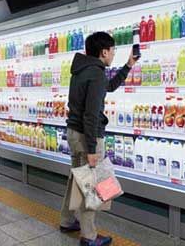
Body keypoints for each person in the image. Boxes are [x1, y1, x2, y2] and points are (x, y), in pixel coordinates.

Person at [60, 32, 138, 246]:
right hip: (87, 136)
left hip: (74, 133)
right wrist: (93, 148)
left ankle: (67, 221)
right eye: (113, 51)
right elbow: (91, 115)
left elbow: (108, 87)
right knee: (90, 186)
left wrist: (128, 65)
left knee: (77, 178)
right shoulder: (95, 73)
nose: (113, 54)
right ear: (104, 51)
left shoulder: (82, 68)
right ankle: (89, 236)